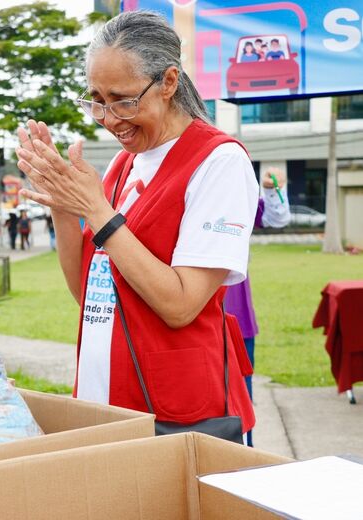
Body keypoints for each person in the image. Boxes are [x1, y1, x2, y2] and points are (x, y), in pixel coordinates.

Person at [15, 11, 257, 435]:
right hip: (105, 395)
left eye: (123, 100)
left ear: (168, 82)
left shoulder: (220, 162)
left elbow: (181, 305)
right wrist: (63, 205)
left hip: (179, 411)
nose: (109, 118)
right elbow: (89, 294)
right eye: (96, 99)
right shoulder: (122, 164)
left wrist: (98, 212)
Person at [225, 167, 290, 447]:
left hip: (236, 313)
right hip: (184, 312)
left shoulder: (236, 202)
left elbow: (277, 218)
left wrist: (272, 189)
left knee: (241, 390)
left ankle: (244, 450)